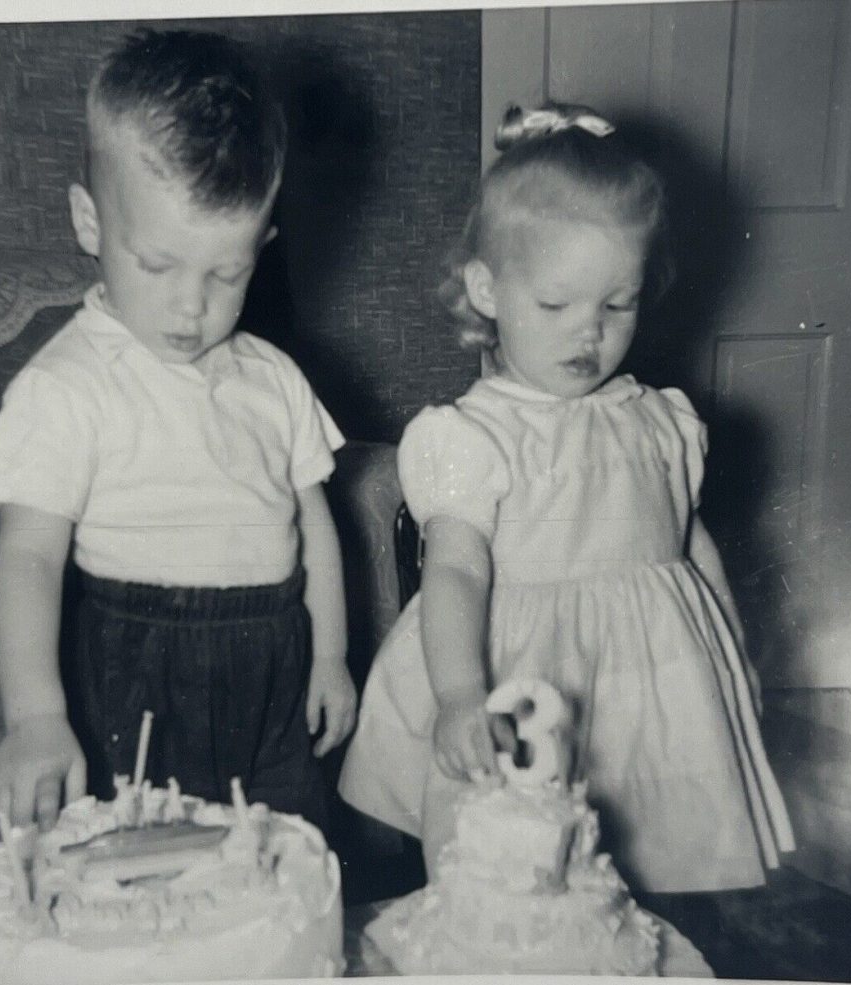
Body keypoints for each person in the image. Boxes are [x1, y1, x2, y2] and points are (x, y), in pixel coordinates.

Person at [339, 103, 794, 893]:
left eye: (617, 305)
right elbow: (455, 571)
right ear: (487, 288)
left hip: (650, 686)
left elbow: (688, 541)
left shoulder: (659, 421)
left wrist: (733, 654)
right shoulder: (475, 435)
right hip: (520, 685)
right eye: (557, 305)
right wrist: (458, 694)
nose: (590, 333)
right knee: (514, 876)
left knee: (639, 868)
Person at [0, 29, 356, 835]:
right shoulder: (67, 385)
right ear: (88, 220)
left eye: (227, 272)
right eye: (157, 265)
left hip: (275, 662)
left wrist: (329, 655)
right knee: (146, 875)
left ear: (263, 245)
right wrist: (35, 713)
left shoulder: (273, 379)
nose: (190, 307)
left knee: (282, 860)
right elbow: (29, 553)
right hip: (139, 667)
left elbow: (314, 523)